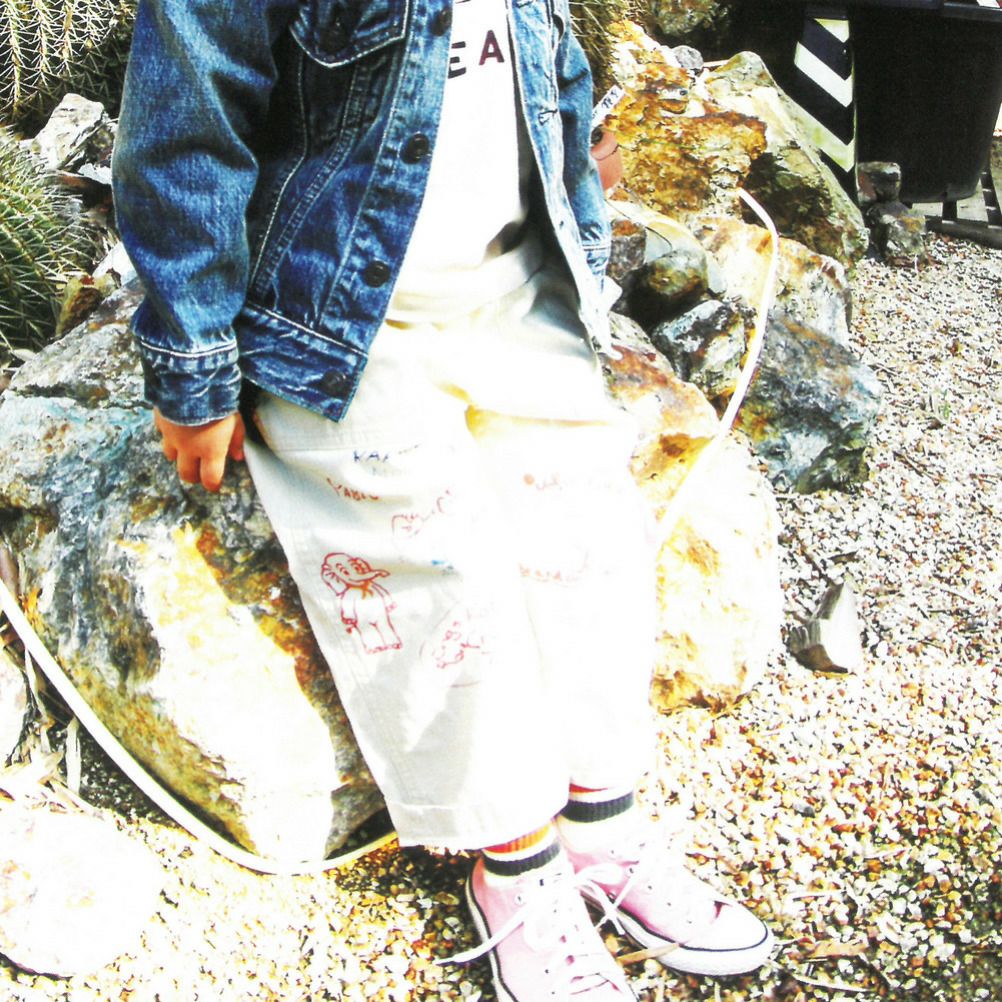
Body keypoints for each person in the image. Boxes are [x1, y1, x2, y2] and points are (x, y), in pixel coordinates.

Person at [112, 0, 773, 997]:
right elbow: (188, 120)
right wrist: (194, 365)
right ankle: (517, 866)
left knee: (585, 529)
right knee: (431, 558)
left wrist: (586, 255)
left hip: (513, 287)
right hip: (339, 319)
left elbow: (556, 73)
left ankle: (601, 828)